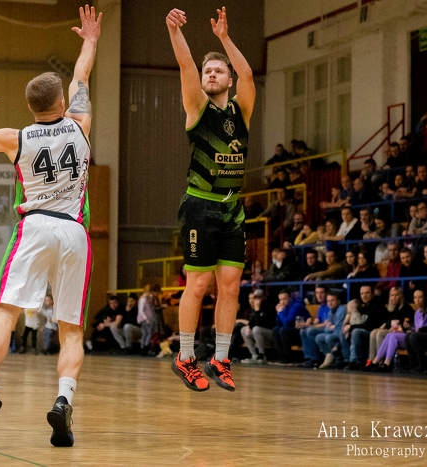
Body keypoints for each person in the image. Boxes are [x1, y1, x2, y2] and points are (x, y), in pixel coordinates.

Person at [0, 5, 102, 446]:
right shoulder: (80, 124)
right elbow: (81, 76)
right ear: (61, 103)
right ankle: (63, 400)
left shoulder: (15, 138)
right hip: (74, 232)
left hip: (34, 228)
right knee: (71, 327)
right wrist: (90, 40)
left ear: (30, 107)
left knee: (6, 311)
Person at [166, 6, 255, 392]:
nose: (212, 74)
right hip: (201, 206)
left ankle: (220, 358)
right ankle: (185, 357)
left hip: (232, 207)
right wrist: (175, 32)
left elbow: (248, 75)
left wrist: (224, 38)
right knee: (199, 283)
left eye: (219, 71)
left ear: (229, 79)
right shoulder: (197, 107)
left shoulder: (241, 110)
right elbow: (186, 65)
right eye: (208, 72)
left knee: (231, 285)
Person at [315, 292, 348, 369]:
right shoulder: (330, 311)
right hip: (334, 332)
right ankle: (330, 357)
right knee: (319, 337)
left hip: (342, 334)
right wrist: (331, 327)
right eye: (328, 301)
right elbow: (327, 329)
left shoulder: (341, 310)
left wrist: (332, 327)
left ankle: (339, 359)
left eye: (332, 300)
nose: (330, 303)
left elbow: (338, 330)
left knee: (329, 338)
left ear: (338, 301)